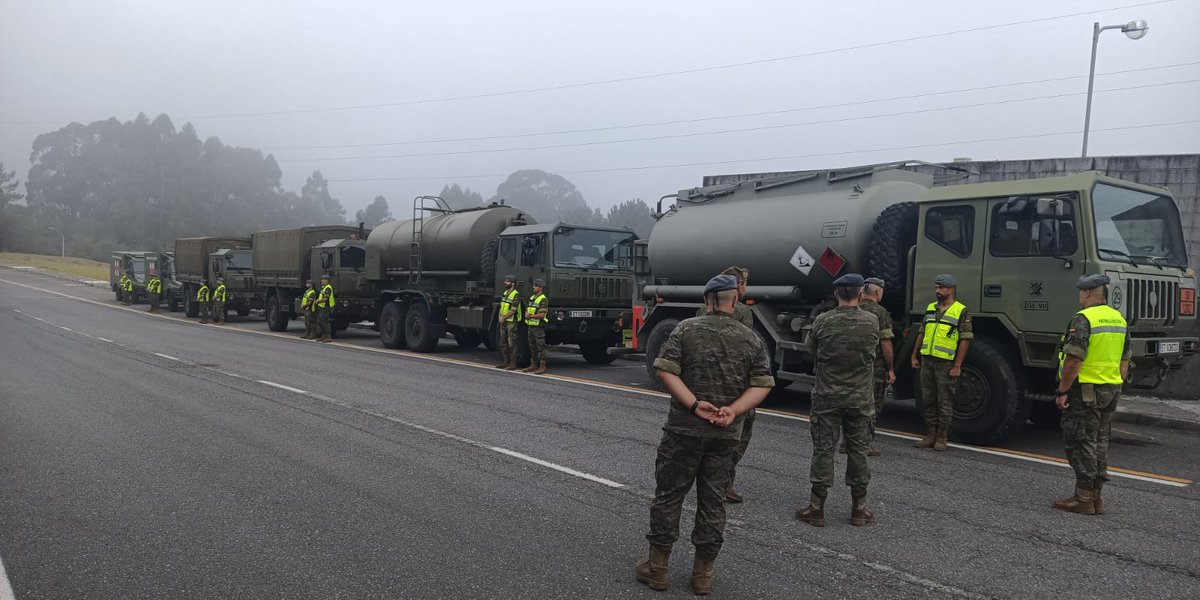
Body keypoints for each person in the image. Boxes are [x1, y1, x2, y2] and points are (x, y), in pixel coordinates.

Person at [635, 274, 774, 595]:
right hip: (726, 435)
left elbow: (665, 370)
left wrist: (696, 405)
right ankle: (703, 575)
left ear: (706, 300)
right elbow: (762, 384)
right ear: (734, 301)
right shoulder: (750, 338)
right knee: (713, 503)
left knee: (669, 496)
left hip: (684, 430)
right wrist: (734, 410)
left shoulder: (685, 330)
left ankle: (657, 569)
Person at [796, 273, 880, 528]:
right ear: (861, 294)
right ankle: (859, 509)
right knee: (858, 452)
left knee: (824, 450)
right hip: (860, 398)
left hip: (827, 397)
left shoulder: (823, 321)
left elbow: (810, 352)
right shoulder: (872, 321)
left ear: (836, 294)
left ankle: (817, 509)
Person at [1053, 274, 1130, 515]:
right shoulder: (1119, 319)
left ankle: (1083, 497)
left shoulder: (1083, 319)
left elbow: (1074, 359)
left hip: (1086, 391)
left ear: (1087, 293)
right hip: (1111, 389)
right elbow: (1125, 361)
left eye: (1081, 292)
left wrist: (1063, 391)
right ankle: (1096, 497)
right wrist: (1114, 384)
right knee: (1100, 441)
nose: (1080, 295)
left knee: (1079, 441)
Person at [694, 266, 755, 503]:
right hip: (733, 383)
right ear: (738, 287)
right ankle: (723, 481)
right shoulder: (742, 312)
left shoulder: (701, 311)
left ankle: (706, 476)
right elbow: (746, 348)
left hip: (704, 381)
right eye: (744, 284)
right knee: (738, 433)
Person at [909, 274, 972, 451]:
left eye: (941, 287)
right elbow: (922, 332)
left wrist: (957, 365)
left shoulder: (961, 310)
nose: (937, 291)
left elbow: (965, 339)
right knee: (928, 399)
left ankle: (942, 437)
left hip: (945, 363)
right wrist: (914, 355)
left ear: (951, 289)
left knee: (944, 401)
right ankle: (930, 434)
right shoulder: (930, 308)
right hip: (927, 360)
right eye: (936, 287)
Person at [841, 277, 895, 456]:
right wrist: (891, 368)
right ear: (878, 292)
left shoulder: (851, 308)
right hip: (873, 367)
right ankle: (865, 444)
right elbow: (885, 344)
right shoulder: (880, 313)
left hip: (850, 365)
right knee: (871, 405)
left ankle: (846, 442)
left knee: (850, 402)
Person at [521, 279, 549, 374]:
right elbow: (528, 309)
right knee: (532, 347)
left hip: (538, 327)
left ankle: (542, 366)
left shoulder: (543, 299)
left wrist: (531, 316)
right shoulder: (532, 297)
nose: (533, 287)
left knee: (541, 347)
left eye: (535, 285)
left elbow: (541, 315)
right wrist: (526, 314)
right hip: (531, 326)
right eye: (534, 285)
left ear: (540, 288)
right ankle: (533, 365)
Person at [495, 275, 523, 369]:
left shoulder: (516, 295)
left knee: (512, 343)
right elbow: (501, 306)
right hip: (503, 321)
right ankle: (505, 360)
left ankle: (513, 363)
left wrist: (504, 318)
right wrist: (500, 317)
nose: (505, 283)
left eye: (507, 281)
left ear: (513, 283)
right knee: (503, 342)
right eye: (505, 281)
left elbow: (513, 310)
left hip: (511, 322)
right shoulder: (505, 293)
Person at [316, 274, 335, 343]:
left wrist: (318, 301)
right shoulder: (324, 287)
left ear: (327, 281)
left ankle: (328, 337)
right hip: (322, 306)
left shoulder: (328, 288)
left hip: (326, 307)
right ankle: (324, 336)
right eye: (322, 279)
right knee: (321, 321)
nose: (322, 280)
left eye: (323, 279)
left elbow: (325, 299)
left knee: (325, 322)